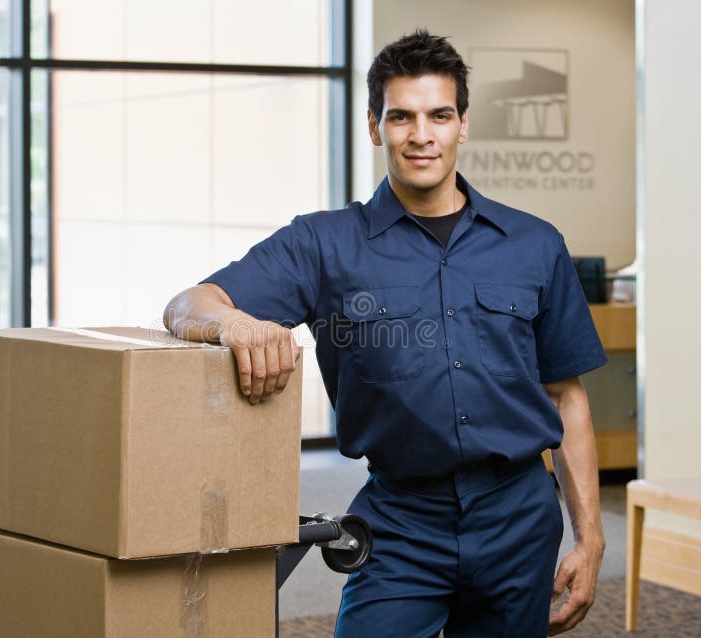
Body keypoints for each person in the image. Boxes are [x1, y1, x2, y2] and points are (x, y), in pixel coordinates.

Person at [164, 29, 606, 637]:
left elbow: (567, 396)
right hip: (401, 518)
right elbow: (190, 303)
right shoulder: (323, 244)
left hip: (518, 515)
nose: (421, 135)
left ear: (463, 125)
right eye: (401, 117)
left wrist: (591, 536)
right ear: (375, 126)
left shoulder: (534, 244)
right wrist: (237, 323)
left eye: (439, 116)